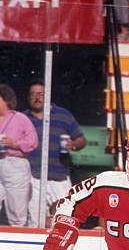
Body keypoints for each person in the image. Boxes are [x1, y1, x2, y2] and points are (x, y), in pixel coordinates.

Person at [24, 80, 87, 228]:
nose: (37, 97)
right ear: (28, 98)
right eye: (33, 94)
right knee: (34, 222)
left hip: (59, 177)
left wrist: (74, 144)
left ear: (48, 96)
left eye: (40, 94)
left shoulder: (63, 115)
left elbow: (81, 140)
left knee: (64, 218)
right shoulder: (23, 118)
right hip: (33, 178)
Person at [0, 83, 38, 227]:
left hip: (15, 164)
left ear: (6, 100)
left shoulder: (20, 118)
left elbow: (33, 141)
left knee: (16, 209)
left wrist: (14, 144)